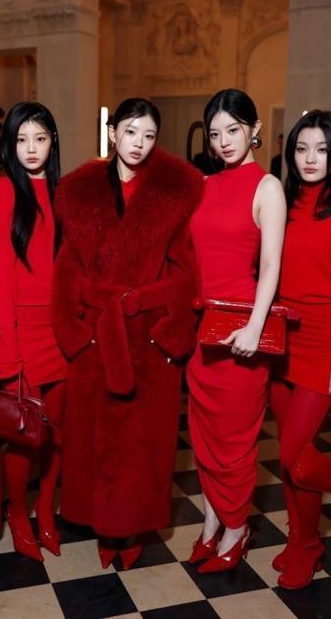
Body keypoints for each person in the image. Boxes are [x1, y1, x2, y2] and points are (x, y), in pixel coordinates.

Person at [52, 97, 203, 569]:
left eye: (149, 135)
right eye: (131, 132)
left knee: (142, 445)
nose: (138, 143)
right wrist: (76, 336)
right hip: (97, 338)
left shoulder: (172, 195)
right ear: (113, 132)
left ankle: (130, 528)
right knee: (94, 441)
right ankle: (104, 526)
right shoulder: (80, 194)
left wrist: (169, 335)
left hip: (147, 339)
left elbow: (185, 272)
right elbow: (66, 271)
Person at [187, 88, 286, 572]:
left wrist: (254, 326)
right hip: (203, 330)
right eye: (215, 133)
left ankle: (236, 527)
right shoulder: (204, 184)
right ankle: (211, 523)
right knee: (204, 437)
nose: (224, 141)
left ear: (254, 130)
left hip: (243, 330)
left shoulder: (268, 187)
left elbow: (270, 266)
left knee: (235, 441)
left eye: (234, 129)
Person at [270, 110, 331, 589]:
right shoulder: (282, 202)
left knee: (295, 455)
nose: (310, 159)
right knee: (290, 457)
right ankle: (302, 541)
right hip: (280, 340)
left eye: (322, 150)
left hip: (324, 344)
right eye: (302, 149)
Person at [0, 102, 66, 561]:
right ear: (9, 145)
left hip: (62, 334)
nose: (31, 149)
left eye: (40, 138)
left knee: (57, 434)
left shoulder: (65, 192)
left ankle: (45, 509)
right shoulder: (2, 191)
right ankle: (18, 513)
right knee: (22, 435)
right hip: (22, 334)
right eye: (21, 139)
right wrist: (8, 348)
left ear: (53, 142)